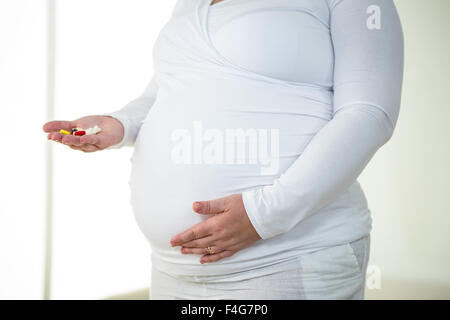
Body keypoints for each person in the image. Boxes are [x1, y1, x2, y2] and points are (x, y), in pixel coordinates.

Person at [43, 0, 404, 299]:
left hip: (287, 259)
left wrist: (263, 216)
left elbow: (369, 114)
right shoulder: (190, 3)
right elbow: (166, 90)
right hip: (172, 271)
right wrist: (118, 124)